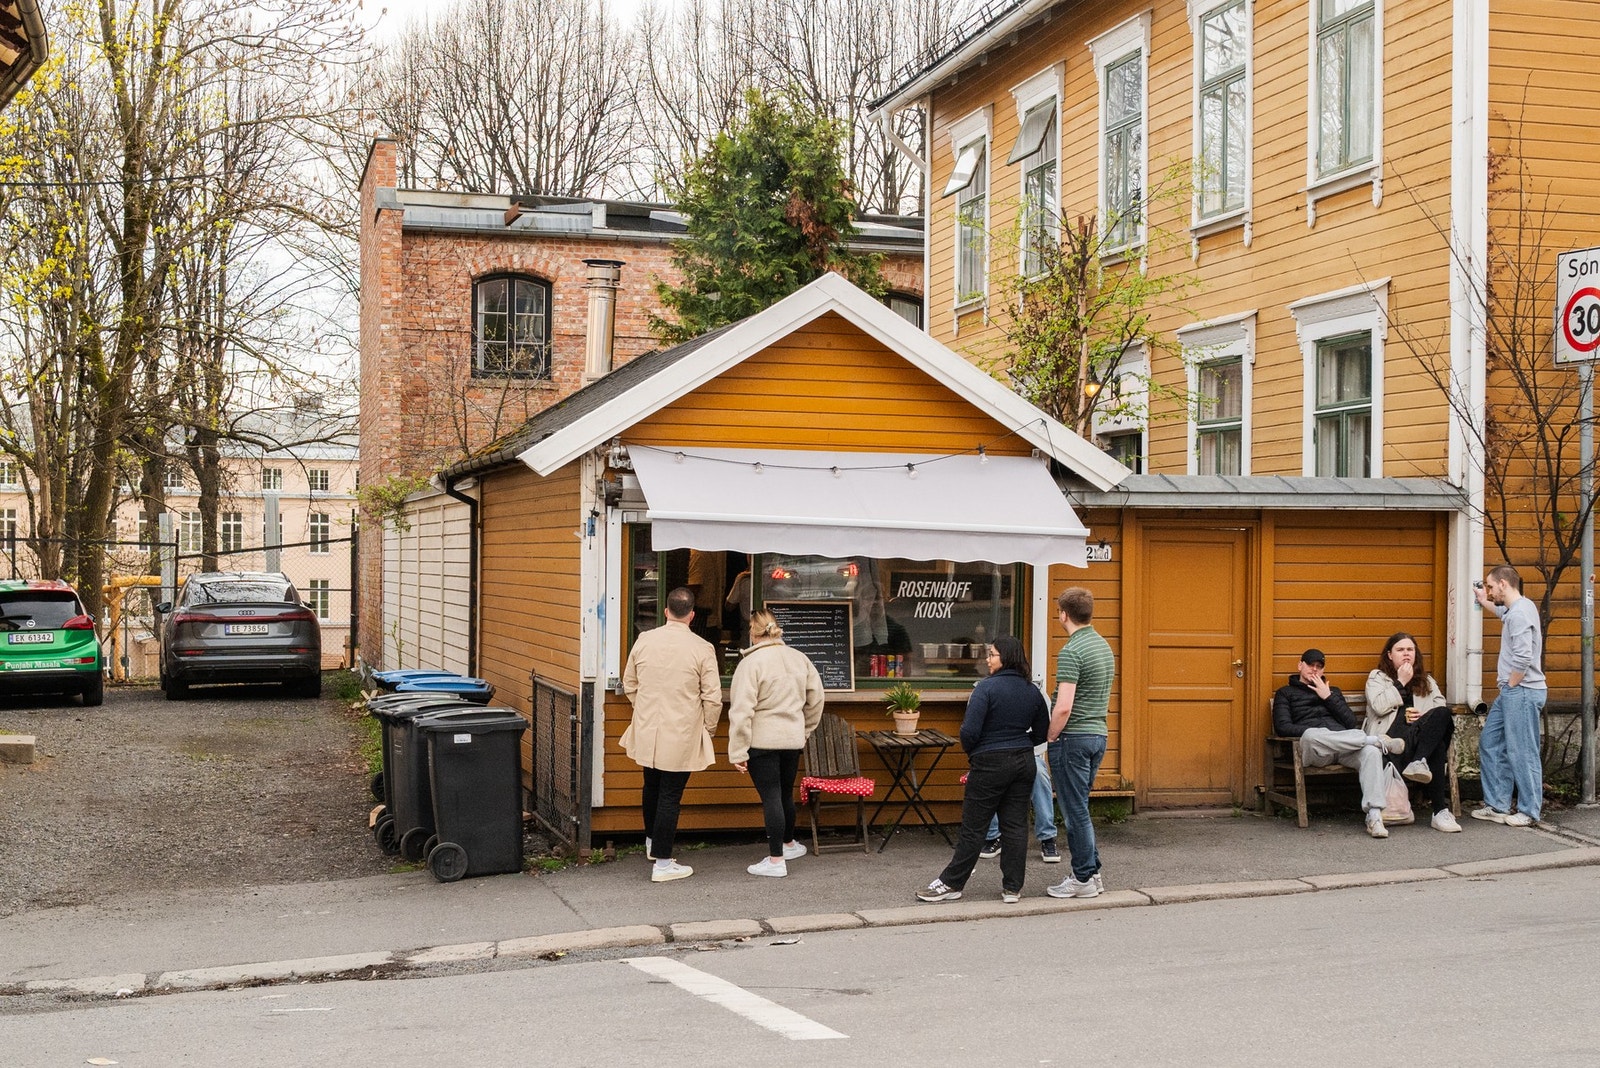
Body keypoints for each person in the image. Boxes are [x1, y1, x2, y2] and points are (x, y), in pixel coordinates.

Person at [917, 637, 1050, 903]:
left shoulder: (985, 689)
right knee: (1015, 825)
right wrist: (1022, 743)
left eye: (992, 654)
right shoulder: (1031, 690)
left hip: (989, 762)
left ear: (1006, 658)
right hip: (1024, 761)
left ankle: (951, 883)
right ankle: (1012, 888)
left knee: (973, 827)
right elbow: (1042, 731)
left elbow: (969, 731)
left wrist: (975, 752)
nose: (988, 659)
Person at [621, 586, 724, 883]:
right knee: (670, 795)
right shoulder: (702, 648)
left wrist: (643, 708)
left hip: (647, 728)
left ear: (666, 612)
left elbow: (630, 683)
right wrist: (708, 729)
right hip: (682, 730)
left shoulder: (644, 640)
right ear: (692, 615)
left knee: (651, 786)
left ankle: (653, 843)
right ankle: (664, 863)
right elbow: (713, 697)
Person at [728, 609, 825, 877]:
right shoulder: (799, 658)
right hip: (792, 740)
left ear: (753, 632)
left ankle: (775, 861)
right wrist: (804, 730)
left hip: (762, 741)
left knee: (771, 796)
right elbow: (816, 700)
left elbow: (741, 710)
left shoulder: (751, 663)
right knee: (784, 794)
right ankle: (789, 844)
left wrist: (737, 750)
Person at [1273, 648, 1404, 838]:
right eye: (1310, 665)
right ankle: (1374, 740)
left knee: (1371, 753)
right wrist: (1321, 734)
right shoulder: (1285, 693)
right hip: (1316, 751)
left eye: (1319, 667)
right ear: (1300, 665)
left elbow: (1350, 722)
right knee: (1310, 734)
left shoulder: (1332, 692)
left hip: (1344, 749)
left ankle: (1375, 816)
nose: (1314, 670)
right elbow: (1282, 727)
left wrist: (1328, 697)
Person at [1045, 587, 1116, 899]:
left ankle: (1083, 878)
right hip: (1098, 734)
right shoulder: (1102, 647)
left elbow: (1064, 705)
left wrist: (1049, 736)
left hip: (1072, 738)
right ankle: (1093, 871)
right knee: (1080, 808)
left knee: (1074, 811)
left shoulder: (1072, 651)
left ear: (1063, 614)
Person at [1472, 565, 1546, 826]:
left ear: (1503, 583)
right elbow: (1502, 612)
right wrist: (1483, 601)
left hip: (1522, 691)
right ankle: (1498, 804)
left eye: (1490, 587)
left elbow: (1524, 656)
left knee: (1522, 751)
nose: (1489, 592)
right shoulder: (1517, 609)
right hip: (1513, 692)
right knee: (1490, 742)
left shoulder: (1520, 613)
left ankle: (1529, 811)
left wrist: (1512, 684)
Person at [1364, 633, 1460, 832]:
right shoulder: (1377, 678)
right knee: (1437, 747)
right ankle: (1440, 811)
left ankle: (1420, 762)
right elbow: (1379, 706)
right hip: (1389, 743)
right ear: (1390, 655)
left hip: (1417, 743)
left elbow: (1440, 710)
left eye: (1410, 650)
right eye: (1400, 650)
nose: (1406, 654)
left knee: (1441, 718)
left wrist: (1423, 717)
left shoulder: (1427, 681)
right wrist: (1400, 682)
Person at [979, 748, 1059, 864]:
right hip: (997, 753)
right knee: (986, 772)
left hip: (1030, 754)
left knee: (1040, 774)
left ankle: (1047, 837)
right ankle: (993, 836)